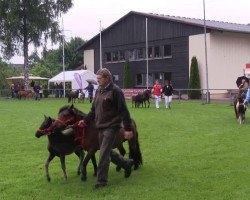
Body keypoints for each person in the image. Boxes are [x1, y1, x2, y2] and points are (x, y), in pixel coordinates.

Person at [79, 68, 134, 189]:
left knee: (103, 154)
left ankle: (101, 182)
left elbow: (124, 110)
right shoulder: (99, 90)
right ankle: (126, 163)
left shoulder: (116, 91)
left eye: (99, 79)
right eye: (97, 78)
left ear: (107, 78)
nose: (97, 81)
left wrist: (128, 129)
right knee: (107, 152)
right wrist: (85, 120)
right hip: (100, 126)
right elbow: (93, 110)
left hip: (112, 127)